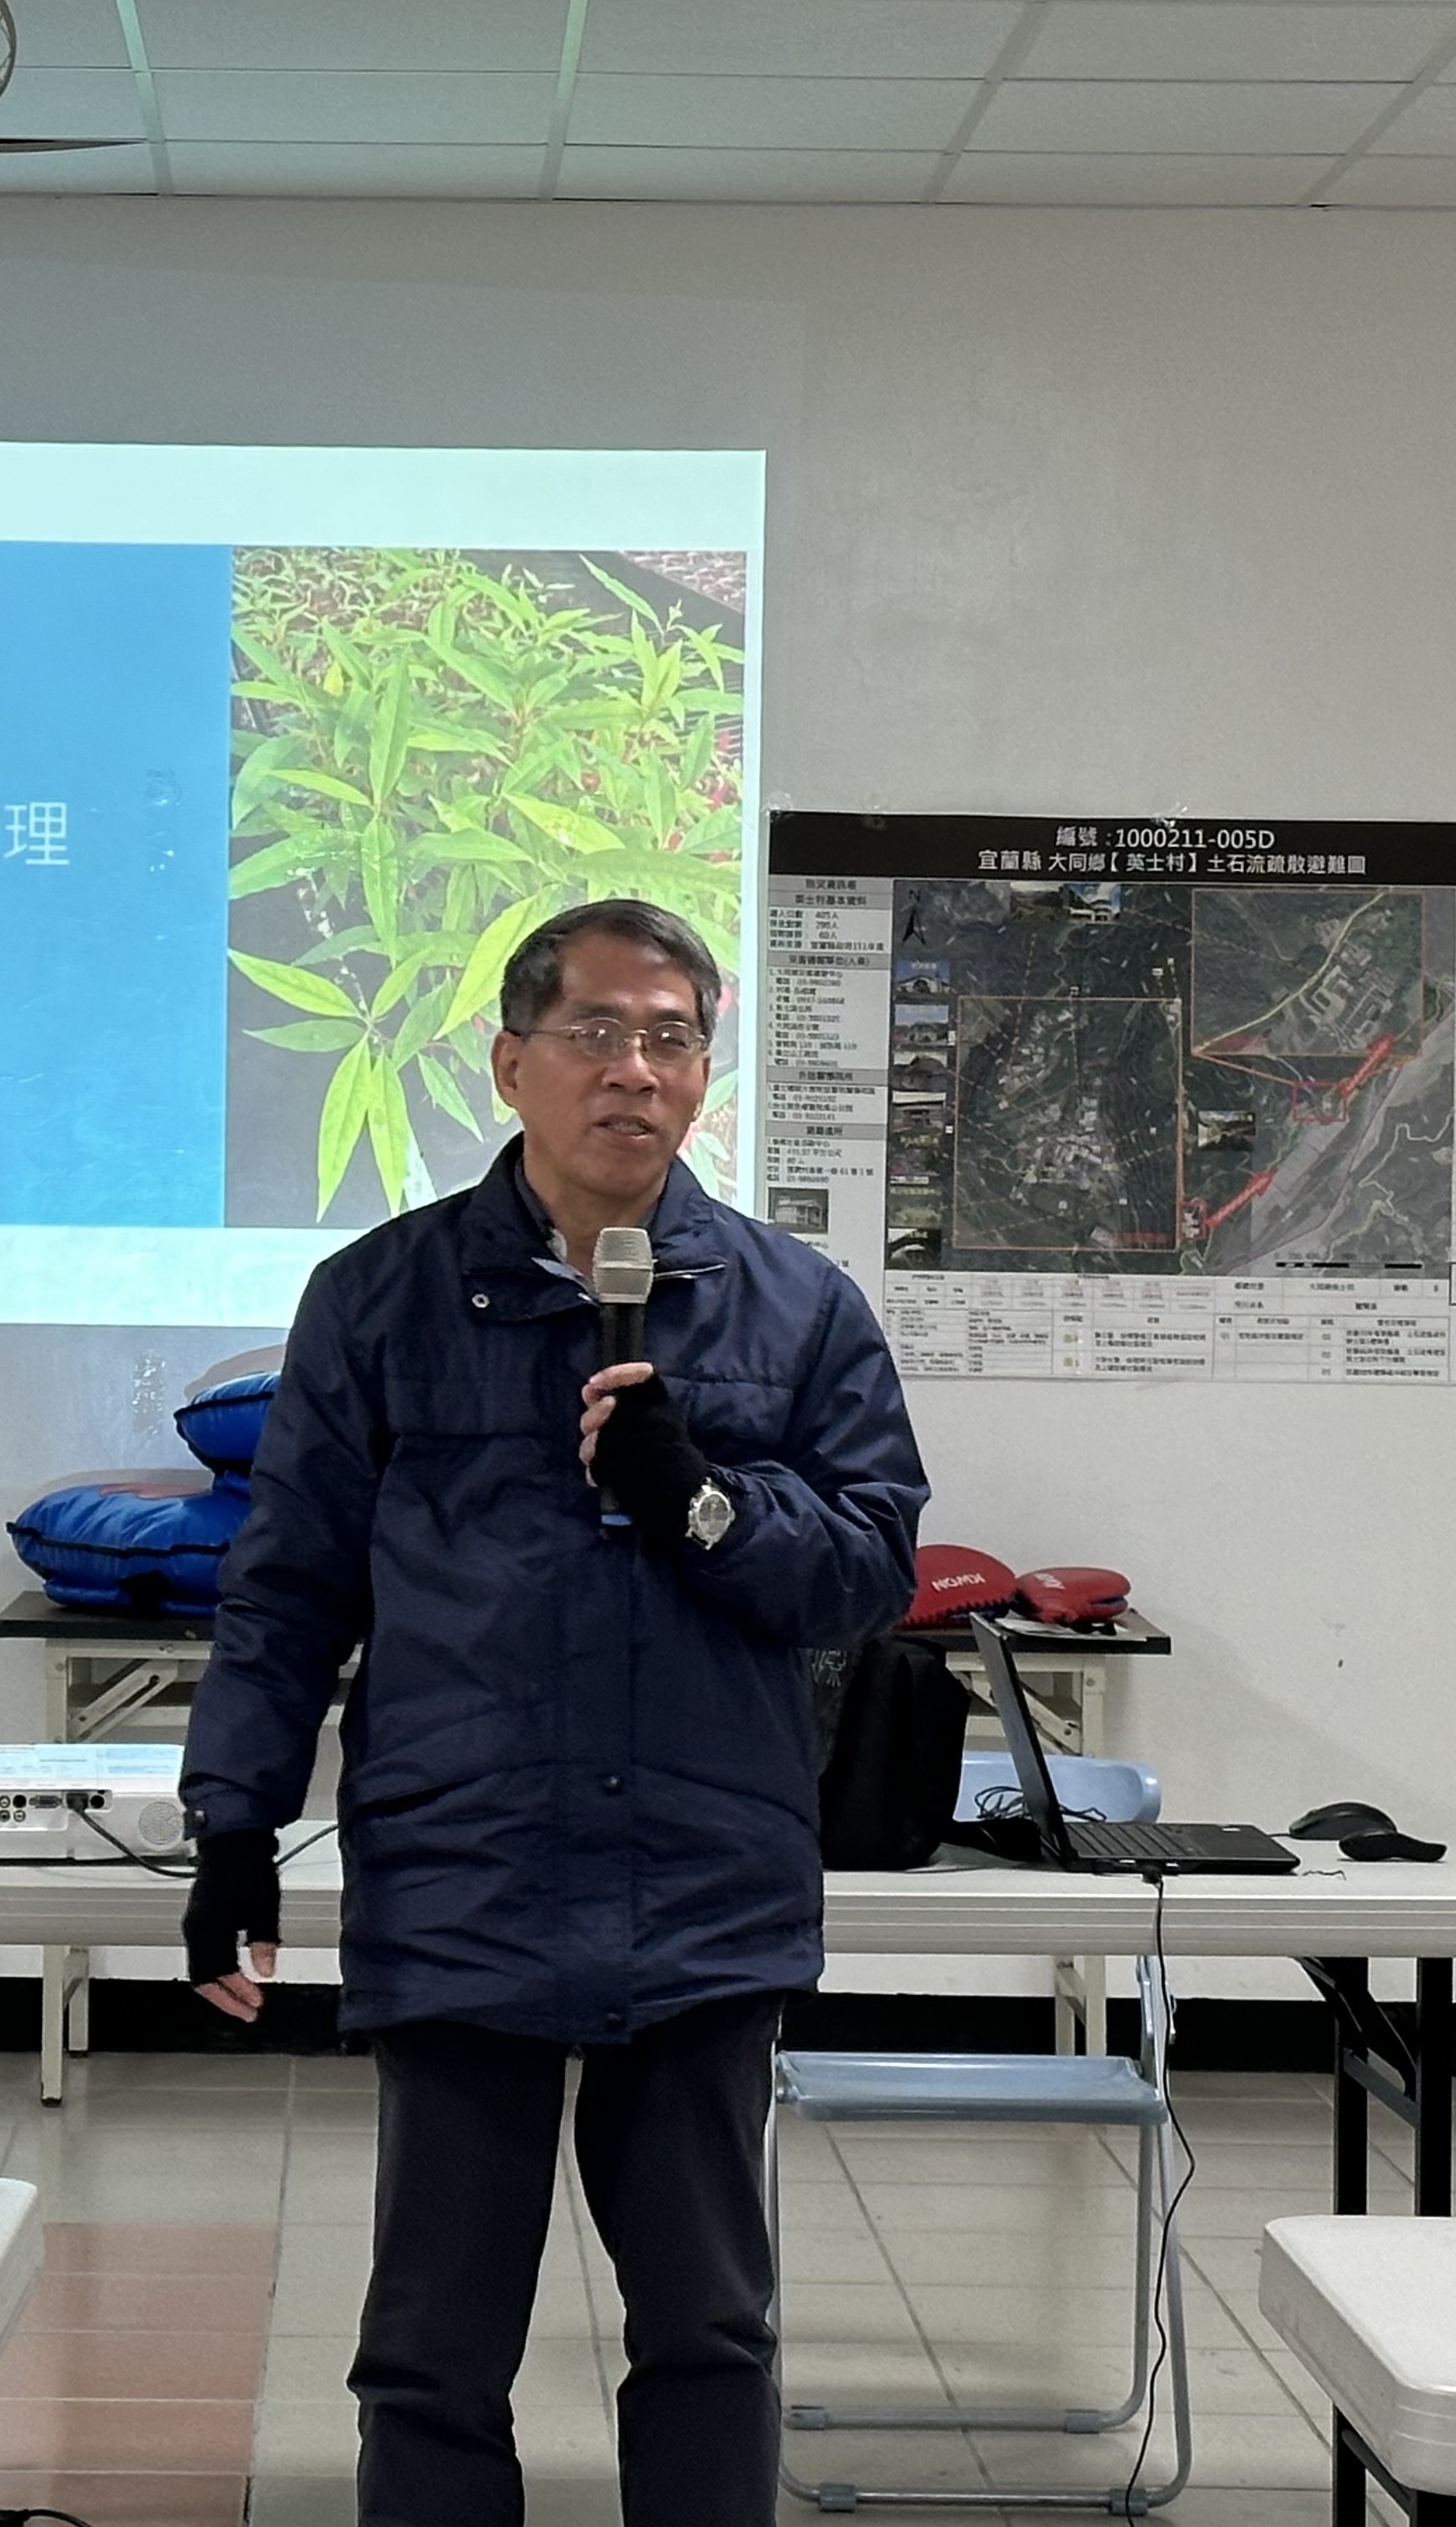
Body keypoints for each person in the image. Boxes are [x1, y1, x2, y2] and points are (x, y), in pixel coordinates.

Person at [178, 897, 929, 2527]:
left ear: (704, 1075)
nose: (632, 1071)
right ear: (511, 1062)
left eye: (670, 1039)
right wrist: (232, 1823)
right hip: (467, 1874)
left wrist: (706, 1504)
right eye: (594, 1032)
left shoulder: (798, 1308)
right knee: (432, 2348)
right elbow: (289, 1582)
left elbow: (869, 1568)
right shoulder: (379, 1296)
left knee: (708, 2329)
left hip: (702, 1882)